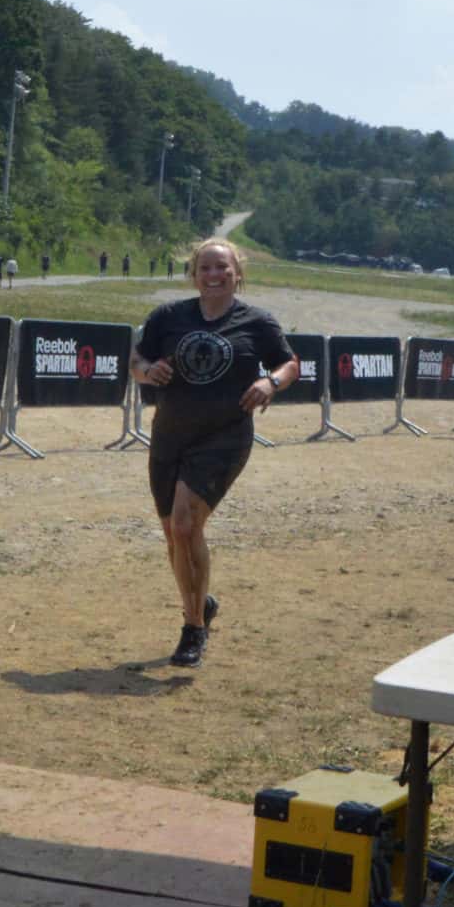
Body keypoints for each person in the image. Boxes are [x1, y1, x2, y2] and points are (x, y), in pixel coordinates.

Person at [132, 239, 298, 668]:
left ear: (237, 273)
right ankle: (200, 602)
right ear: (194, 274)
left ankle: (193, 629)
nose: (214, 274)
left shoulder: (257, 322)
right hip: (170, 436)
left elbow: (290, 364)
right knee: (174, 535)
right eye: (205, 267)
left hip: (225, 436)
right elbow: (136, 361)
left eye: (222, 267)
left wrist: (270, 383)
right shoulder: (168, 316)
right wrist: (148, 370)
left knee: (186, 524)